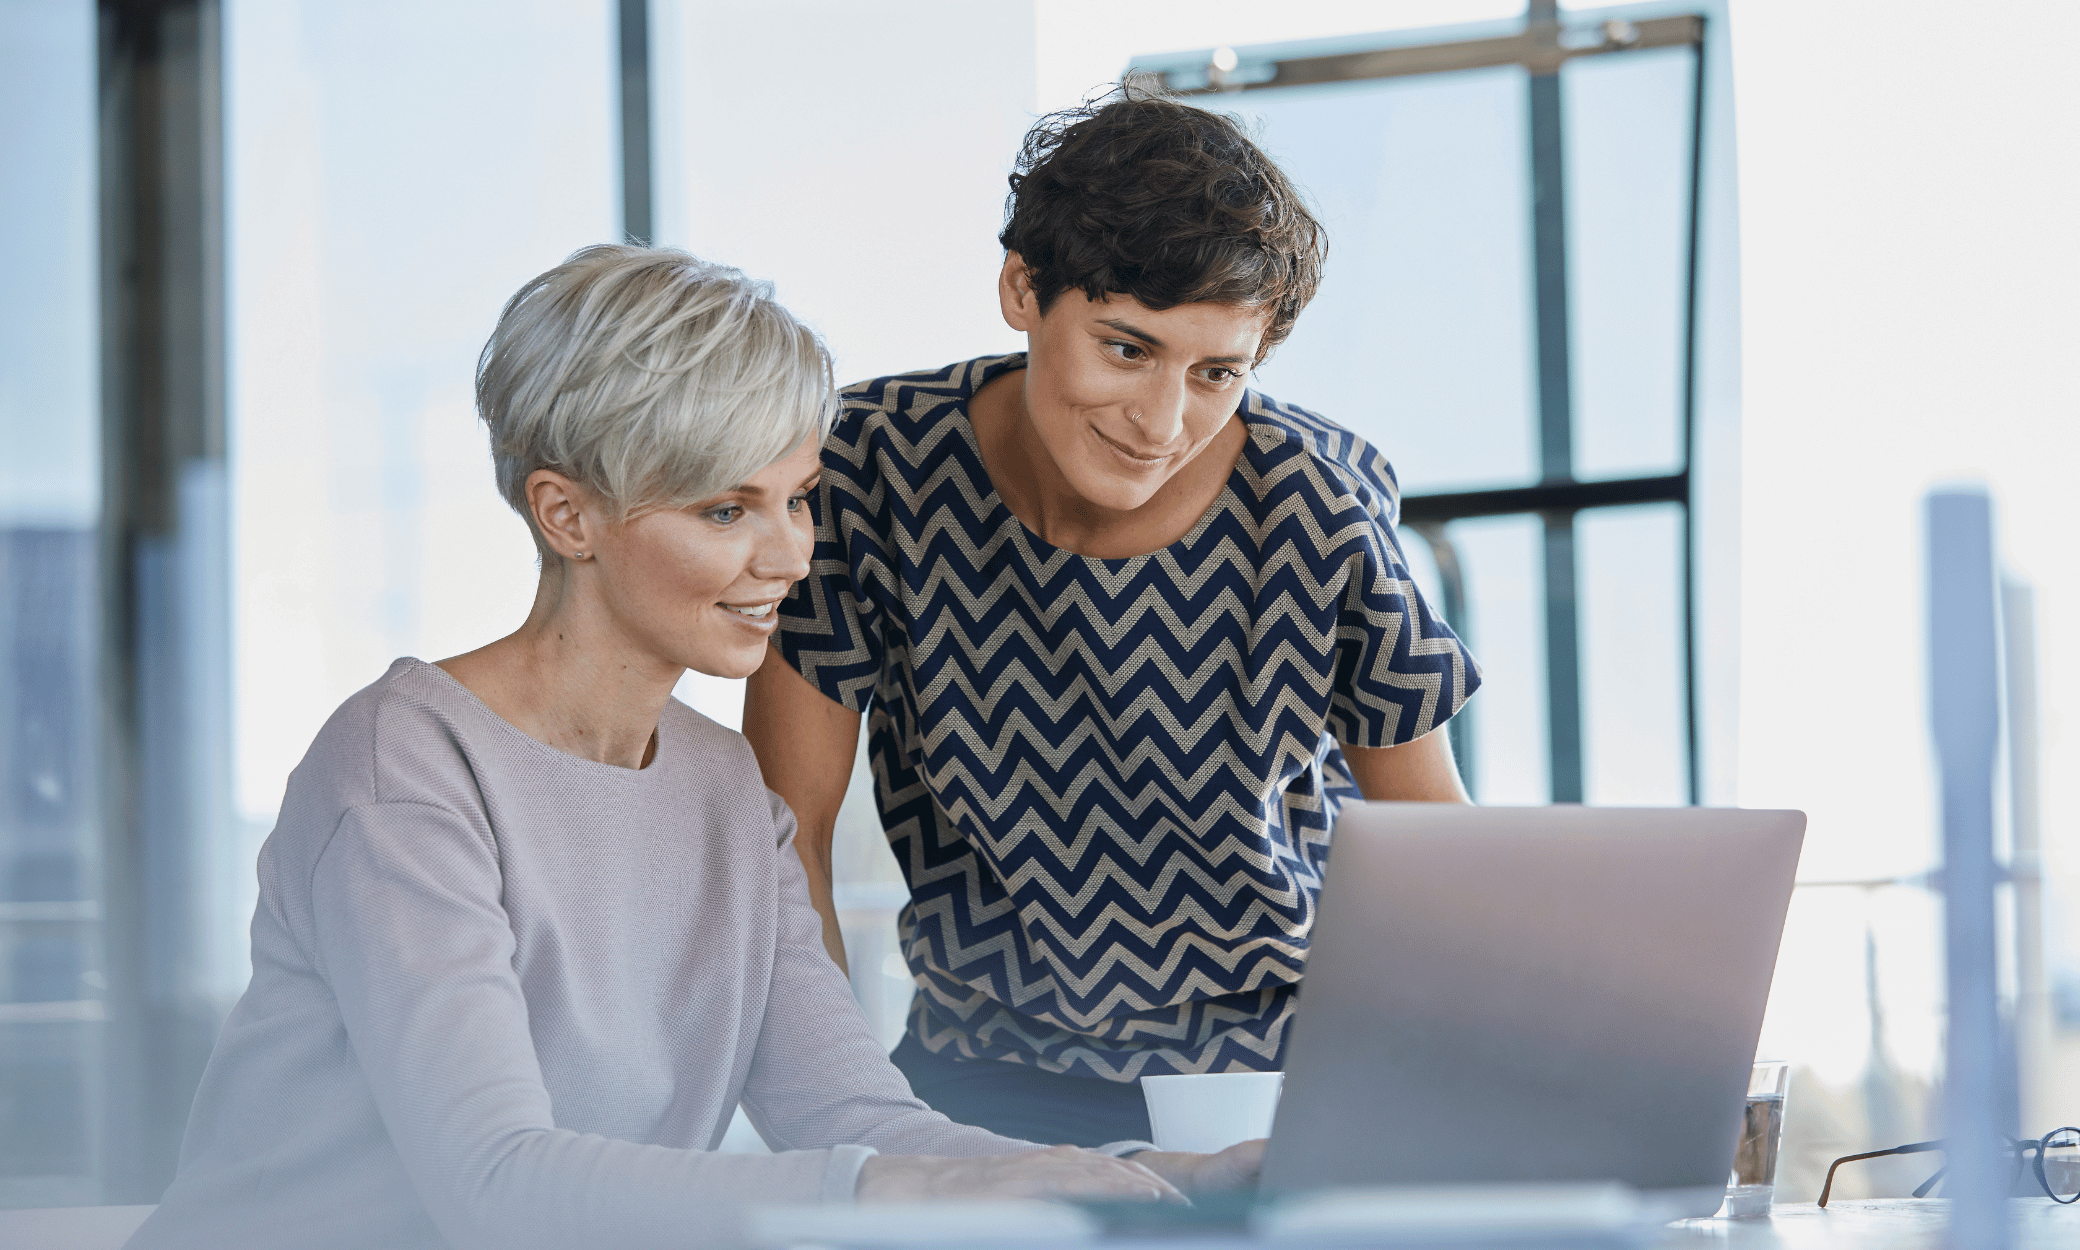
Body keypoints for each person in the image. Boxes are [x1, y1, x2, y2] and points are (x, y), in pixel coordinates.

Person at [125, 246, 1256, 1250]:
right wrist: (889, 1191)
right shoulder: (404, 770)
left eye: (798, 499)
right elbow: (496, 1182)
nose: (788, 554)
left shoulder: (723, 790)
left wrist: (1161, 1176)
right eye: (726, 511)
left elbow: (861, 1122)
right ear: (567, 516)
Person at [743, 88, 1482, 1150]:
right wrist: (839, 1123)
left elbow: (1433, 851)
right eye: (1126, 349)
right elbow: (788, 833)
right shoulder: (870, 467)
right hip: (980, 1079)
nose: (1161, 422)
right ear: (1022, 289)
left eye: (1216, 372)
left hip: (1281, 1075)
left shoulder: (1316, 499)